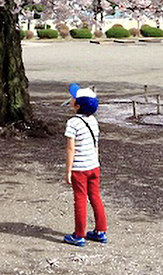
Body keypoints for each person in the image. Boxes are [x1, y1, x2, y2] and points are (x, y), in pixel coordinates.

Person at [63, 83, 107, 247]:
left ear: (77, 104)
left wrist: (68, 170)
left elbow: (70, 148)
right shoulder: (94, 121)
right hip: (93, 166)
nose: (71, 99)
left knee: (80, 199)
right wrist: (96, 161)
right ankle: (101, 231)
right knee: (95, 196)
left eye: (73, 97)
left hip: (79, 169)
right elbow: (96, 144)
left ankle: (79, 235)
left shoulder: (73, 123)